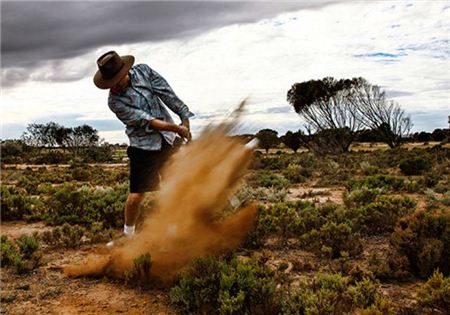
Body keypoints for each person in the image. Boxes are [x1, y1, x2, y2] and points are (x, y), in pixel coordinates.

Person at [93, 51, 194, 246]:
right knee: (137, 194)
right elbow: (146, 120)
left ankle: (173, 232)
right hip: (143, 146)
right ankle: (128, 234)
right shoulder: (115, 102)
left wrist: (184, 117)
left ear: (126, 71)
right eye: (110, 82)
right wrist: (177, 128)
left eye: (118, 78)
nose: (116, 84)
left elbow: (167, 93)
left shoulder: (144, 72)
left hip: (168, 140)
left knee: (173, 186)